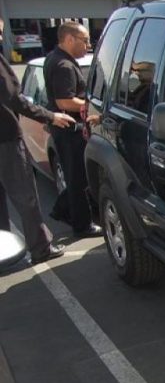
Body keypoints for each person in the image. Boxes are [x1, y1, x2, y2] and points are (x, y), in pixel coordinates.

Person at [0, 19, 74, 264]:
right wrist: (51, 115)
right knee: (26, 197)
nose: (2, 39)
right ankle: (40, 248)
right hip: (5, 140)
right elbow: (15, 100)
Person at [43, 21, 102, 237]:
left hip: (66, 129)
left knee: (77, 177)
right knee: (78, 180)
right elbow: (64, 102)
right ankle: (82, 225)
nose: (88, 45)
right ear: (69, 39)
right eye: (84, 40)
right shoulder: (63, 65)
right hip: (69, 130)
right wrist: (92, 105)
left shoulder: (55, 58)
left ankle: (62, 210)